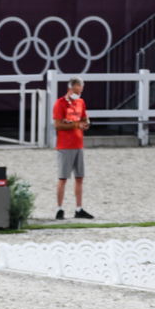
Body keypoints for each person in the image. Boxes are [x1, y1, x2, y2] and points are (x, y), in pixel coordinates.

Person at [53, 77, 93, 221]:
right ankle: (59, 209)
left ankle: (79, 208)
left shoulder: (80, 102)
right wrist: (76, 125)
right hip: (65, 145)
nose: (80, 92)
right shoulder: (60, 103)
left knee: (79, 178)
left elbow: (84, 119)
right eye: (78, 89)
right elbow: (57, 125)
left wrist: (82, 123)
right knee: (63, 178)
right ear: (71, 88)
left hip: (79, 144)